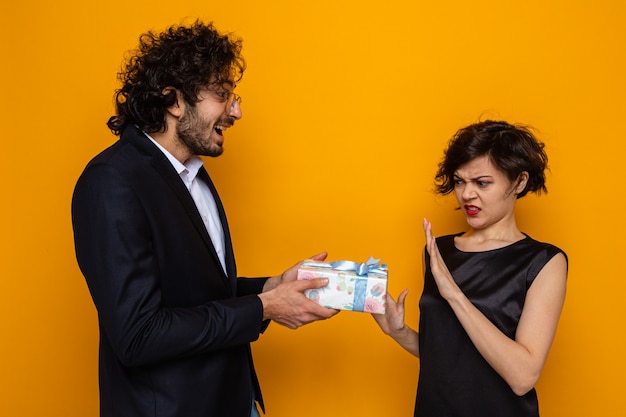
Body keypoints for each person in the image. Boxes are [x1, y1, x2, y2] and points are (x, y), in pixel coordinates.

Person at [71, 20, 338, 417]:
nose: (237, 111)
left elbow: (196, 293)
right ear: (173, 100)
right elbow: (138, 336)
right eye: (222, 95)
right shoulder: (112, 181)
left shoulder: (194, 174)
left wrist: (272, 286)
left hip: (232, 400)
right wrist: (265, 307)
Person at [374, 120, 568, 417]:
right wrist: (399, 332)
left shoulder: (544, 262)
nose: (466, 195)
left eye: (482, 183)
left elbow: (522, 377)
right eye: (460, 181)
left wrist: (453, 292)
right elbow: (451, 356)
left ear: (519, 182)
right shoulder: (437, 251)